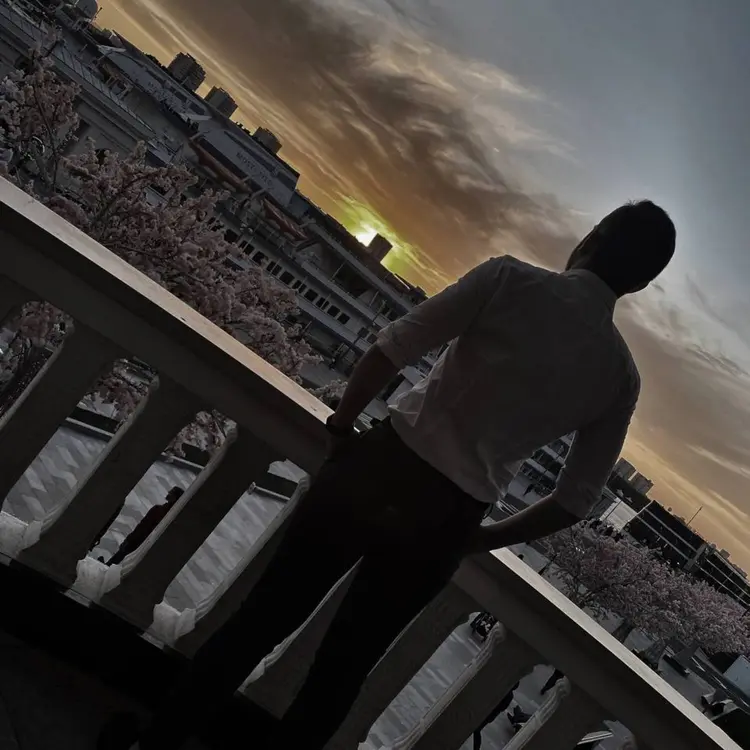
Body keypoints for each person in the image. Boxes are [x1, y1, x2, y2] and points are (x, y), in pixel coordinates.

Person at [102, 200, 675, 750]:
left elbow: (393, 346)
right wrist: (477, 538)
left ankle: (157, 740)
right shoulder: (619, 376)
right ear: (641, 283)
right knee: (340, 673)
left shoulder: (510, 278)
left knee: (260, 619)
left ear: (591, 238)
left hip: (383, 466)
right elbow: (573, 501)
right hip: (447, 519)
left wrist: (343, 425)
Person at [108, 487, 184, 566]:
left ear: (174, 498)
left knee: (118, 557)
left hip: (137, 540)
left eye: (171, 492)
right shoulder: (168, 517)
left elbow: (142, 526)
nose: (168, 493)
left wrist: (130, 538)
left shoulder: (158, 510)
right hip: (143, 544)